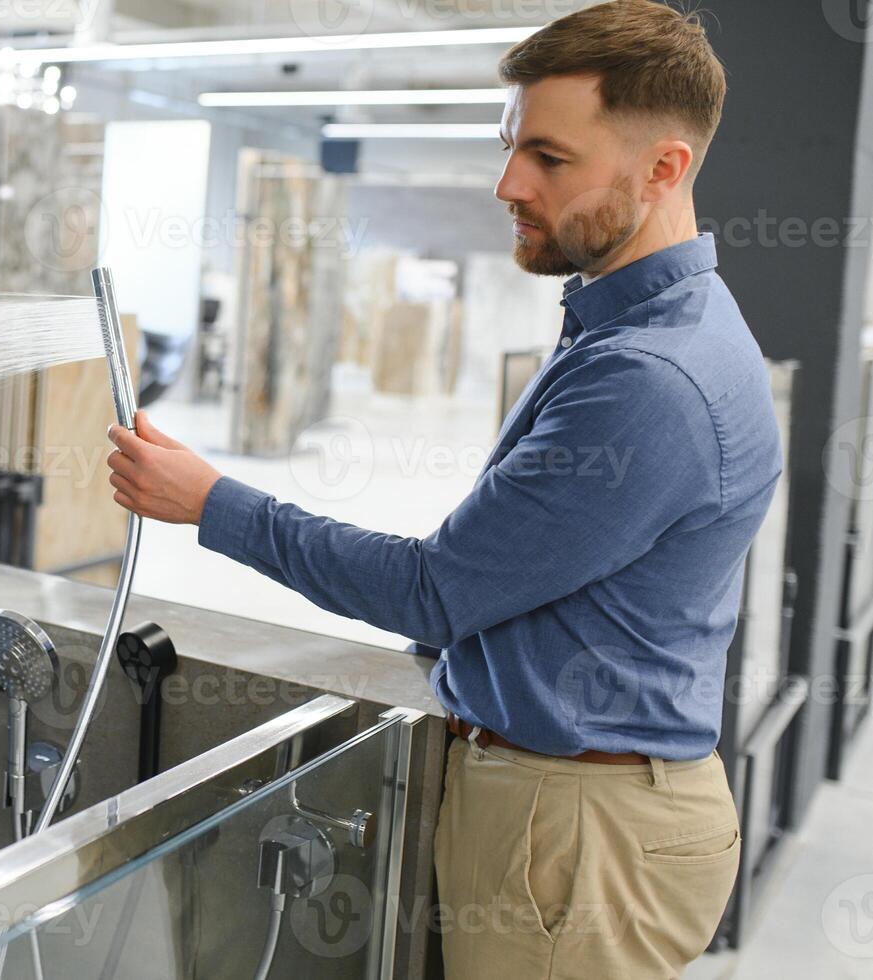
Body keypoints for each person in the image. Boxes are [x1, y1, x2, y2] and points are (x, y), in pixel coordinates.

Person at [105, 1, 781, 975]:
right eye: (511, 146)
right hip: (580, 804)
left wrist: (212, 500)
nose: (507, 182)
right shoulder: (635, 319)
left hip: (574, 828)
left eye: (549, 158)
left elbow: (435, 588)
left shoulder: (647, 379)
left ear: (664, 168)